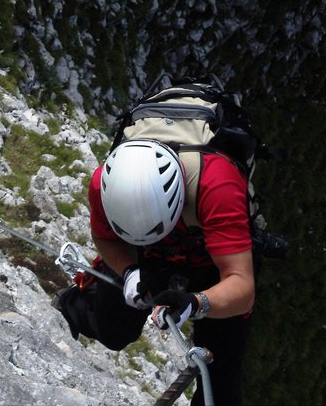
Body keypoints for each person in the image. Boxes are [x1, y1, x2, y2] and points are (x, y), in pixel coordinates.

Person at [54, 138, 255, 406]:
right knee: (113, 330)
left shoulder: (218, 187)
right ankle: (75, 302)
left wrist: (196, 303)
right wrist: (129, 272)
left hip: (211, 262)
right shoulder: (104, 185)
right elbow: (107, 239)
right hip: (142, 255)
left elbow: (241, 285)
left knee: (220, 384)